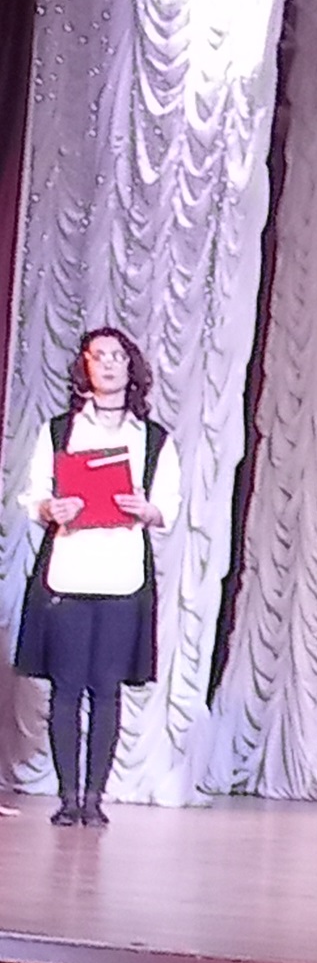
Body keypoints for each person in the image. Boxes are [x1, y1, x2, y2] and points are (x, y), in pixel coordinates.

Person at [14, 328, 181, 827]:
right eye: (98, 356)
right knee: (66, 687)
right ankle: (68, 798)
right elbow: (34, 495)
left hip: (122, 576)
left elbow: (168, 506)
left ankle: (94, 799)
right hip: (69, 571)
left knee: (107, 688)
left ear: (131, 367)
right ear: (84, 366)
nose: (108, 364)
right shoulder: (59, 431)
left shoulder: (153, 438)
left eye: (117, 356)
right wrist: (51, 507)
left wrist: (145, 509)